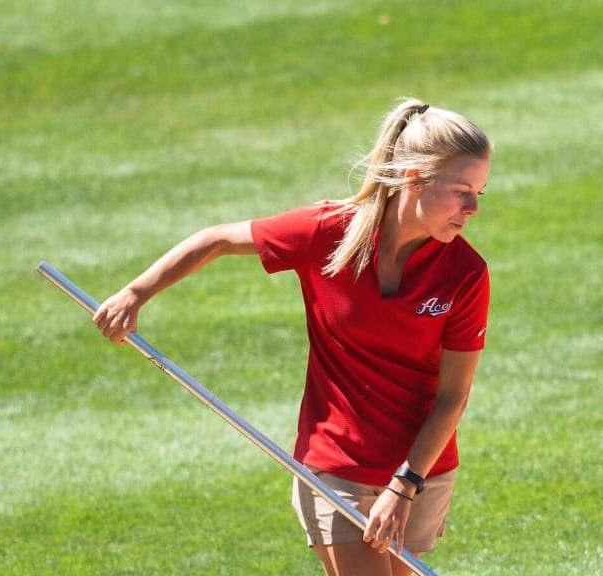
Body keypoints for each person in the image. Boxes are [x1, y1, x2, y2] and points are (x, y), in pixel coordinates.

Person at [93, 98, 493, 576]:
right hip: (336, 465)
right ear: (413, 179)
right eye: (462, 191)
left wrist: (404, 485)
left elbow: (453, 397)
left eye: (479, 193)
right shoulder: (326, 232)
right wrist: (135, 293)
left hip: (420, 470)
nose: (473, 208)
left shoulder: (466, 273)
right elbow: (216, 240)